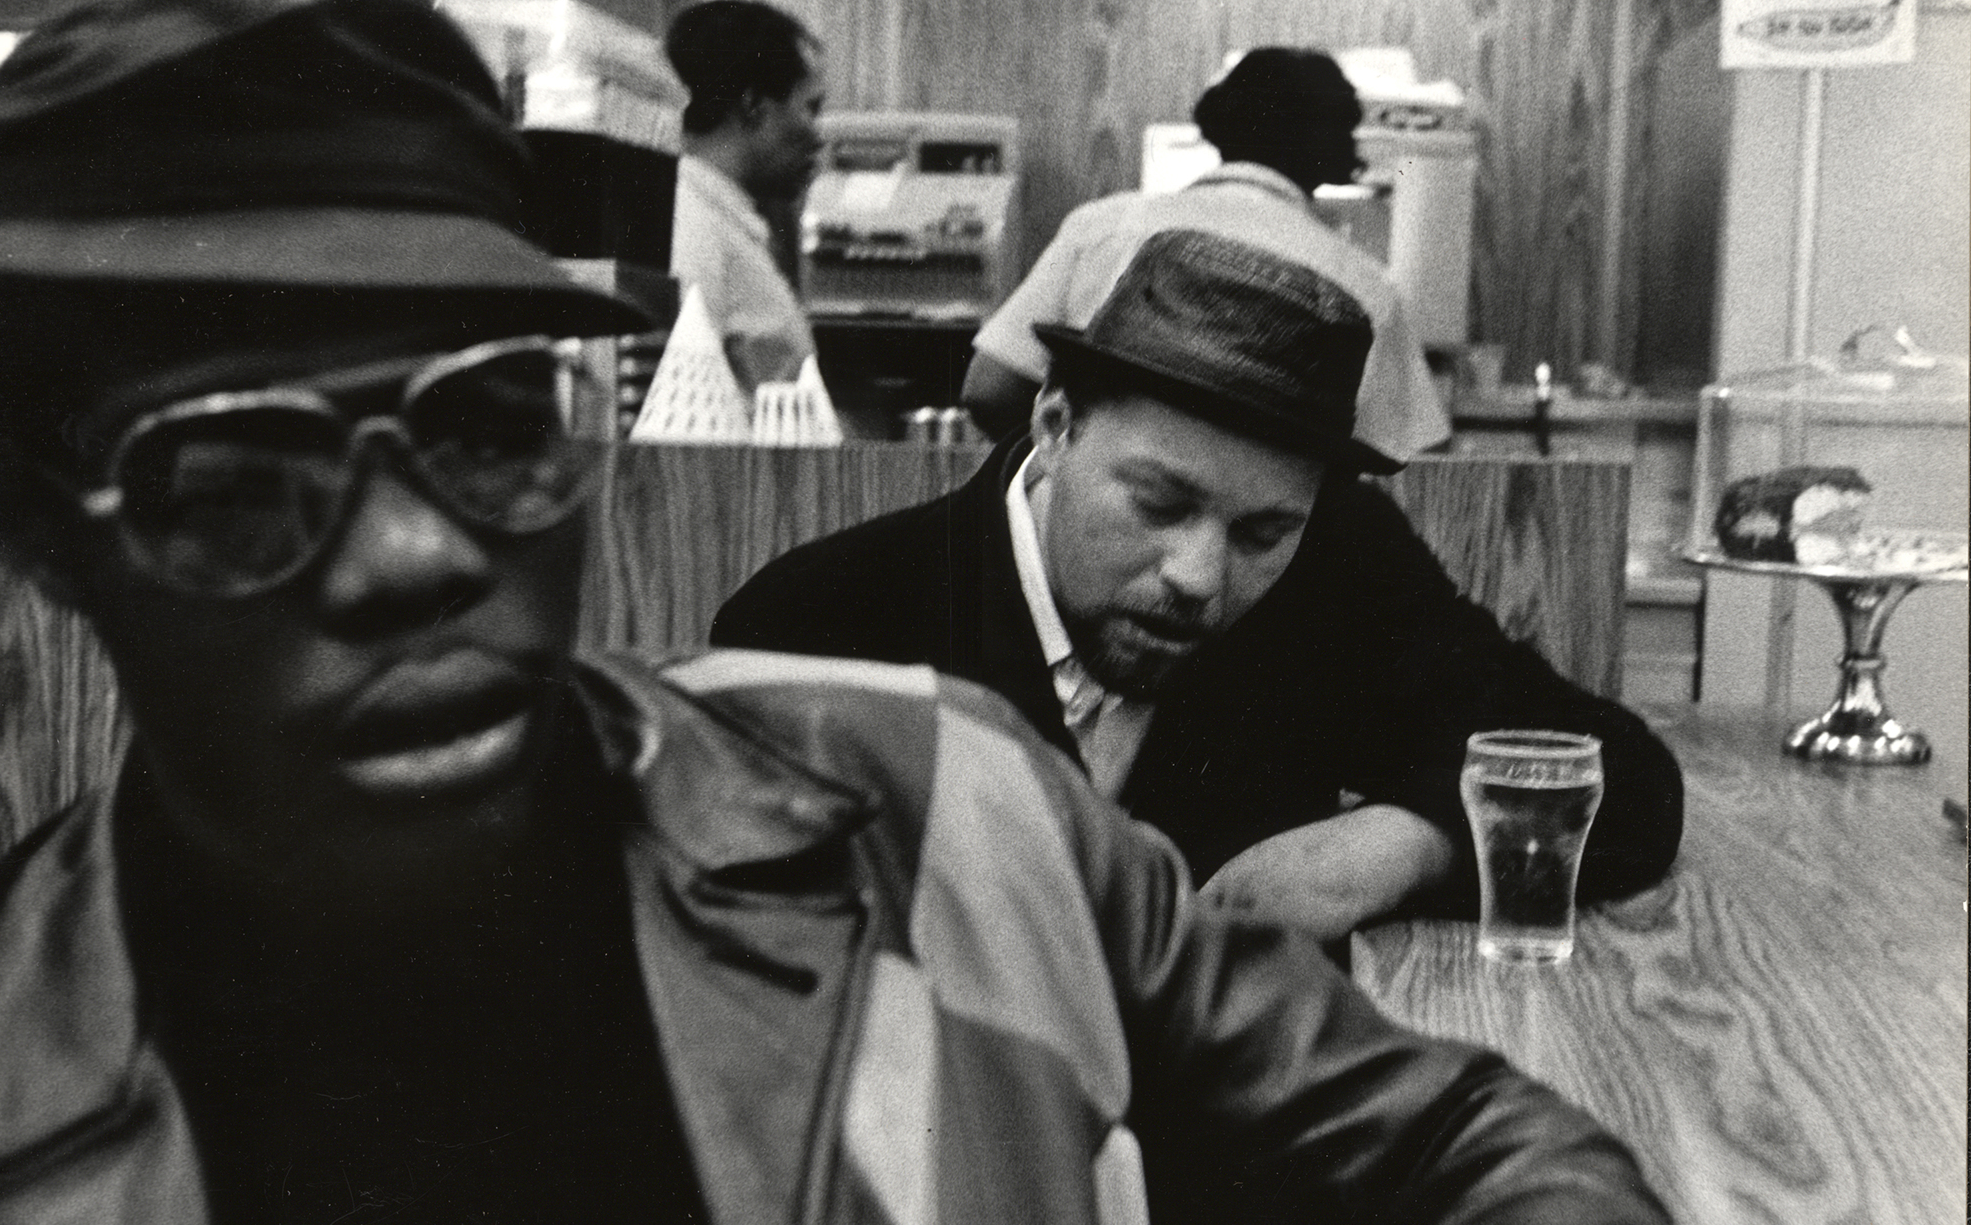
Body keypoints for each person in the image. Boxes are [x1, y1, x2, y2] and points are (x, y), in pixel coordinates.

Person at [0, 0, 1883, 1225]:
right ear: (43, 545)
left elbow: (1432, 1160)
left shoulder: (918, 794)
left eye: (489, 426)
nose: (414, 554)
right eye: (234, 477)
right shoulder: (7, 1145)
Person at [715, 228, 1685, 943]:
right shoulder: (817, 623)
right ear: (1054, 425)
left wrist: (1404, 841)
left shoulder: (1333, 562)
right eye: (1157, 502)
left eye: (1261, 530)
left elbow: (1619, 775)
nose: (1199, 577)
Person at [961, 46, 1449, 461]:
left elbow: (989, 391)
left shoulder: (1102, 225)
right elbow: (1410, 455)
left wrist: (1070, 473)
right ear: (1332, 146)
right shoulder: (1364, 284)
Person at [664, 0, 825, 395]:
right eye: (811, 108)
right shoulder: (692, 223)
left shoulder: (718, 216)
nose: (819, 136)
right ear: (752, 106)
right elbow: (685, 401)